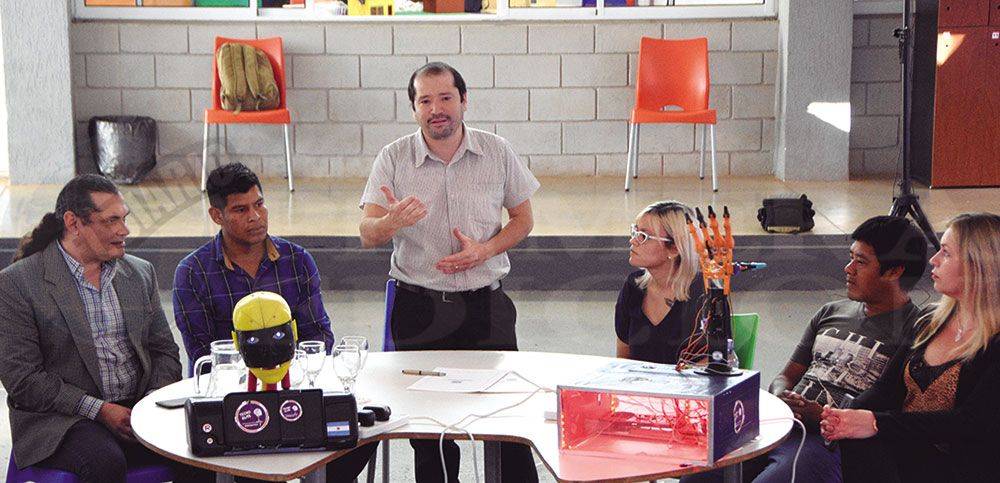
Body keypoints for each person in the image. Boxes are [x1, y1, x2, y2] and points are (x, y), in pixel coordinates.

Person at [359, 61, 541, 483]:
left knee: (508, 418)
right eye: (425, 101)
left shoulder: (496, 151)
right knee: (428, 431)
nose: (436, 109)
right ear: (413, 108)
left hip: (486, 305)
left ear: (463, 101)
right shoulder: (393, 157)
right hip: (418, 308)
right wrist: (391, 222)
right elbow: (368, 233)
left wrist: (486, 250)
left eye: (445, 98)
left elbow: (523, 219)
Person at [682, 215, 930, 483]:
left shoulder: (915, 329)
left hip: (828, 441)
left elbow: (887, 407)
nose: (848, 269)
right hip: (783, 424)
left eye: (861, 262)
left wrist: (822, 416)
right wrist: (782, 396)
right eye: (851, 258)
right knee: (697, 477)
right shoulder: (831, 312)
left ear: (894, 272)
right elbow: (786, 375)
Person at [0, 174, 213, 483]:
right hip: (62, 419)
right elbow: (23, 380)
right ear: (73, 223)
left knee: (205, 445)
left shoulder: (139, 274)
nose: (124, 230)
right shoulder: (17, 284)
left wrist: (149, 403)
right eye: (111, 221)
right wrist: (99, 410)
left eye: (124, 219)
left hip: (137, 408)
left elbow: (164, 351)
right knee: (105, 463)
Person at [172, 162, 372, 483]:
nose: (255, 216)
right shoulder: (192, 272)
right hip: (236, 404)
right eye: (241, 210)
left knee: (358, 436)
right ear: (216, 216)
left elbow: (318, 336)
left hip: (295, 389)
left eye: (259, 204)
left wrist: (285, 381)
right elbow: (205, 355)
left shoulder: (297, 259)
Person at [821, 212, 1000, 483]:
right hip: (906, 454)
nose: (933, 260)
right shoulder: (929, 319)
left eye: (946, 253)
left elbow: (970, 422)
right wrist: (844, 416)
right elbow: (885, 390)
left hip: (962, 468)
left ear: (979, 267)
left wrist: (874, 423)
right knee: (857, 442)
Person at [615, 200, 704, 364]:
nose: (633, 241)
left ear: (674, 248)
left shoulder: (704, 293)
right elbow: (623, 360)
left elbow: (711, 366)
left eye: (643, 236)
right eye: (635, 232)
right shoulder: (633, 287)